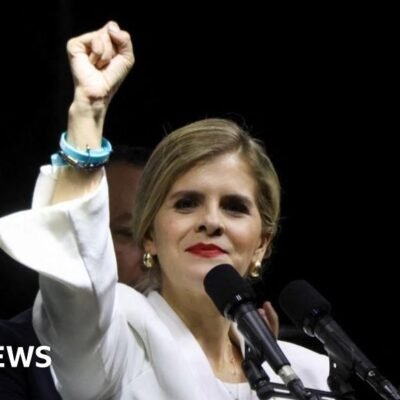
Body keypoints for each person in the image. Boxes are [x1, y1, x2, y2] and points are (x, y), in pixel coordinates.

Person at [0, 21, 328, 399]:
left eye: (234, 207)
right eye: (186, 203)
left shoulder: (310, 375)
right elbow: (77, 288)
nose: (211, 221)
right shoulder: (117, 340)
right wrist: (88, 113)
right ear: (150, 236)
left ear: (262, 244)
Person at [0, 145, 151, 399]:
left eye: (155, 236)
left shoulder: (208, 343)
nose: (150, 258)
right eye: (127, 233)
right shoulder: (12, 350)